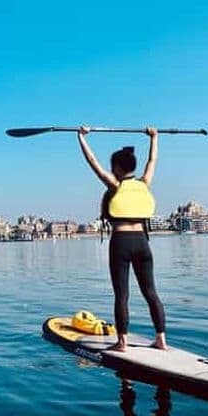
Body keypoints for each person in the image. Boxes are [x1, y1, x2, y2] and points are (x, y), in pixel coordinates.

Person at [77, 127, 167, 352]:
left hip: (121, 242)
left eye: (112, 167)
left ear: (117, 168)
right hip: (142, 242)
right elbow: (152, 159)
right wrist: (155, 137)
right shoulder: (144, 182)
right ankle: (161, 340)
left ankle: (122, 342)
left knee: (122, 295)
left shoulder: (115, 185)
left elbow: (91, 161)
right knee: (151, 293)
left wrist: (81, 136)